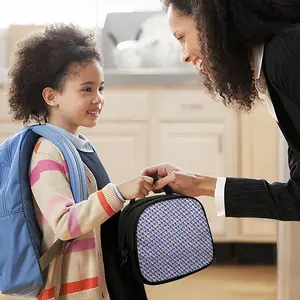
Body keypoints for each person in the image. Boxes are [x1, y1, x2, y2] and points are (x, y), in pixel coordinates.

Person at [8, 24, 153, 300]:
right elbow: (64, 223)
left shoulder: (78, 145)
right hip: (77, 286)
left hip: (104, 273)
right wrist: (120, 192)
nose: (98, 99)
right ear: (51, 96)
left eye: (100, 88)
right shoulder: (47, 154)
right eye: (86, 89)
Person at [142, 0, 300, 221]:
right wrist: (198, 184)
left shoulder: (286, 54)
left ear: (211, 22)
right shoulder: (273, 61)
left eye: (182, 37)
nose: (184, 55)